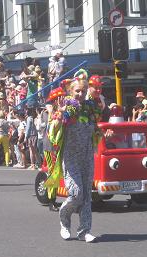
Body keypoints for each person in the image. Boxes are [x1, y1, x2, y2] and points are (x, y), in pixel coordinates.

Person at [45, 69, 102, 242]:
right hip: (70, 158)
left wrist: (102, 134)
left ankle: (85, 231)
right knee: (76, 193)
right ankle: (64, 219)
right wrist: (60, 114)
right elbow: (54, 130)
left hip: (86, 156)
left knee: (86, 195)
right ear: (71, 91)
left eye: (83, 91)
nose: (80, 93)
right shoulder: (66, 108)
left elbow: (95, 129)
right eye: (77, 90)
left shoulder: (90, 108)